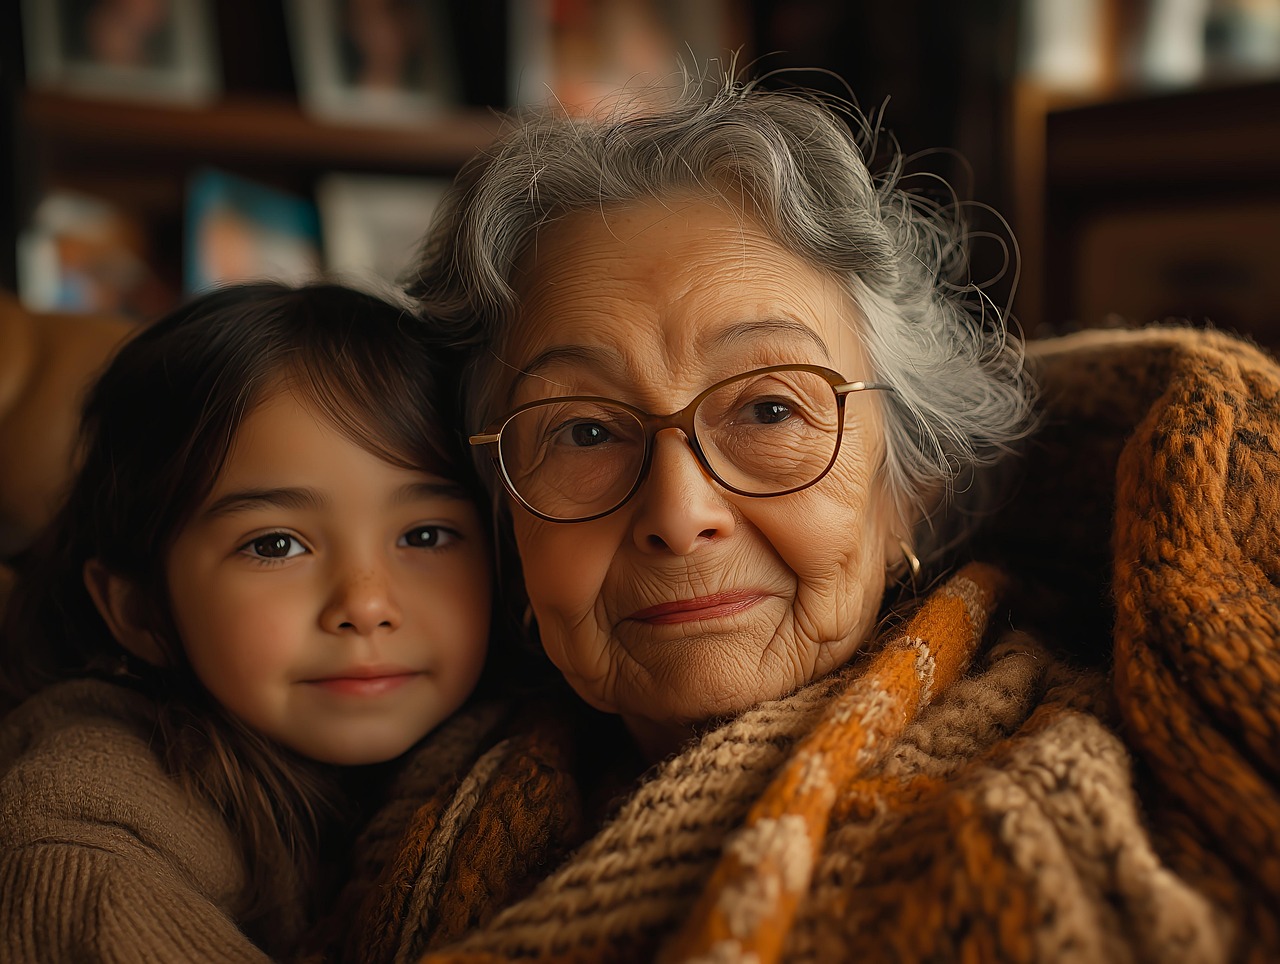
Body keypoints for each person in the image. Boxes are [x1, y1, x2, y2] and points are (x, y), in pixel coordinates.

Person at [335, 74, 1280, 962]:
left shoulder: (1051, 822)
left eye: (770, 410)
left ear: (907, 482)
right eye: (584, 430)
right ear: (506, 527)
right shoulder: (375, 798)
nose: (680, 512)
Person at [0, 282, 494, 961]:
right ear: (139, 608)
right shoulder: (85, 828)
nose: (367, 605)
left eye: (427, 535)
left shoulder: (533, 729)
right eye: (275, 545)